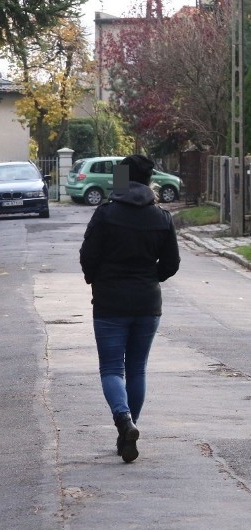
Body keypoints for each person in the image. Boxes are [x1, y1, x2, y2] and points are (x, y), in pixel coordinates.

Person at [79, 154, 181, 463]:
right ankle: (126, 432)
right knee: (136, 369)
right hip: (148, 304)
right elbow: (172, 263)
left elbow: (88, 256)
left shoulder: (106, 214)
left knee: (112, 369)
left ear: (122, 178)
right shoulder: (162, 217)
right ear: (150, 181)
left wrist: (95, 279)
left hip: (110, 303)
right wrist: (151, 278)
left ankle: (124, 421)